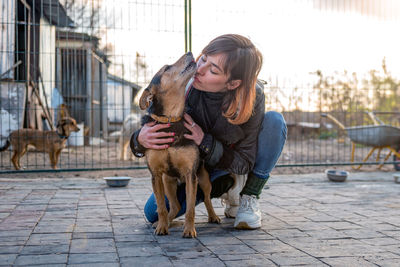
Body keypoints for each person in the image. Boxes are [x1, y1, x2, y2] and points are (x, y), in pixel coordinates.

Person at [130, 34, 287, 229]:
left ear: (232, 83)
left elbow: (245, 161)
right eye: (203, 58)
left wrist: (204, 140)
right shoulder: (186, 83)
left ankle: (249, 195)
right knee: (152, 213)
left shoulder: (253, 97)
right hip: (195, 166)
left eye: (213, 69)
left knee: (275, 121)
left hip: (228, 160)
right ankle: (226, 186)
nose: (199, 69)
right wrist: (139, 139)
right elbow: (155, 115)